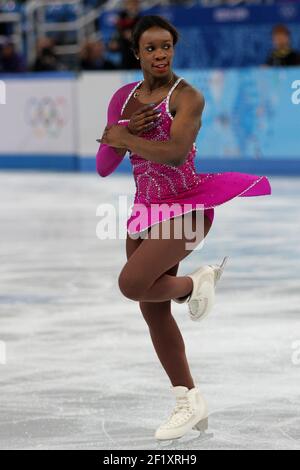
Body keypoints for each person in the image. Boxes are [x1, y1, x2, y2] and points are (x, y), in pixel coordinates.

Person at [96, 15, 272, 442]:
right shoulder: (123, 98)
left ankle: (195, 283)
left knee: (132, 283)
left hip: (187, 208)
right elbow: (105, 165)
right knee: (151, 309)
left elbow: (175, 154)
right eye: (151, 48)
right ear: (136, 52)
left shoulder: (187, 96)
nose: (160, 55)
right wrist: (119, 130)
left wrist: (125, 137)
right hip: (144, 212)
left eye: (167, 47)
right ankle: (188, 400)